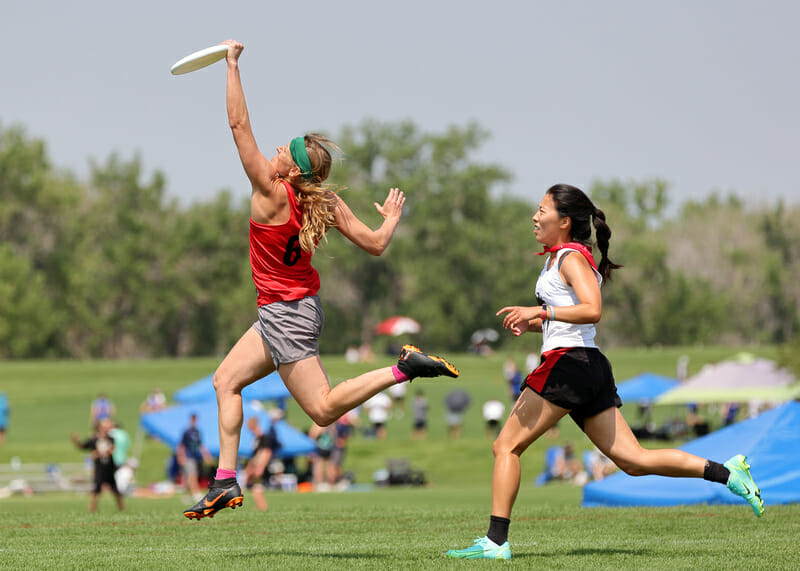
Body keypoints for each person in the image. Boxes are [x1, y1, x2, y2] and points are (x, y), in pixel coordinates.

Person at [183, 40, 459, 520]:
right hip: (282, 314)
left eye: (282, 151)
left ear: (291, 169)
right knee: (225, 380)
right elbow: (375, 244)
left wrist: (230, 65)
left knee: (324, 411)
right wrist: (391, 219)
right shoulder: (324, 203)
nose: (273, 151)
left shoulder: (271, 194)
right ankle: (225, 482)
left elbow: (238, 125)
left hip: (288, 317)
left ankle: (404, 368)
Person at [446, 184, 764, 560]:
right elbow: (571, 319)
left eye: (541, 210)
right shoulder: (558, 258)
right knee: (634, 461)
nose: (534, 217)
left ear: (564, 221)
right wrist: (533, 324)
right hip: (586, 364)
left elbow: (592, 309)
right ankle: (727, 473)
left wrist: (541, 313)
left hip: (569, 364)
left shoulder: (570, 259)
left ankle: (496, 543)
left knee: (506, 446)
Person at [71, 418, 124, 512]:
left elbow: (111, 450)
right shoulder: (94, 440)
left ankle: (122, 509)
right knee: (96, 491)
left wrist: (98, 454)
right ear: (99, 428)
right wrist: (76, 441)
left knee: (116, 491)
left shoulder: (111, 439)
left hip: (109, 468)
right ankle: (92, 510)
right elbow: (82, 446)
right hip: (99, 469)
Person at [177, 414, 213, 504]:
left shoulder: (197, 432)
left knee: (189, 477)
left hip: (195, 456)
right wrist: (181, 456)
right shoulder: (186, 432)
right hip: (188, 457)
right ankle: (196, 493)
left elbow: (201, 445)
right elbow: (181, 445)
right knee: (192, 475)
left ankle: (187, 496)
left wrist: (206, 456)